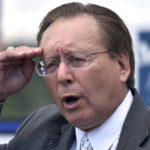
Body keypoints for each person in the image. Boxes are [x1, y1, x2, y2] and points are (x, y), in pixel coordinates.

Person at [0, 2, 150, 150]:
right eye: (51, 65)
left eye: (77, 59)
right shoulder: (39, 128)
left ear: (122, 65)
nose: (61, 76)